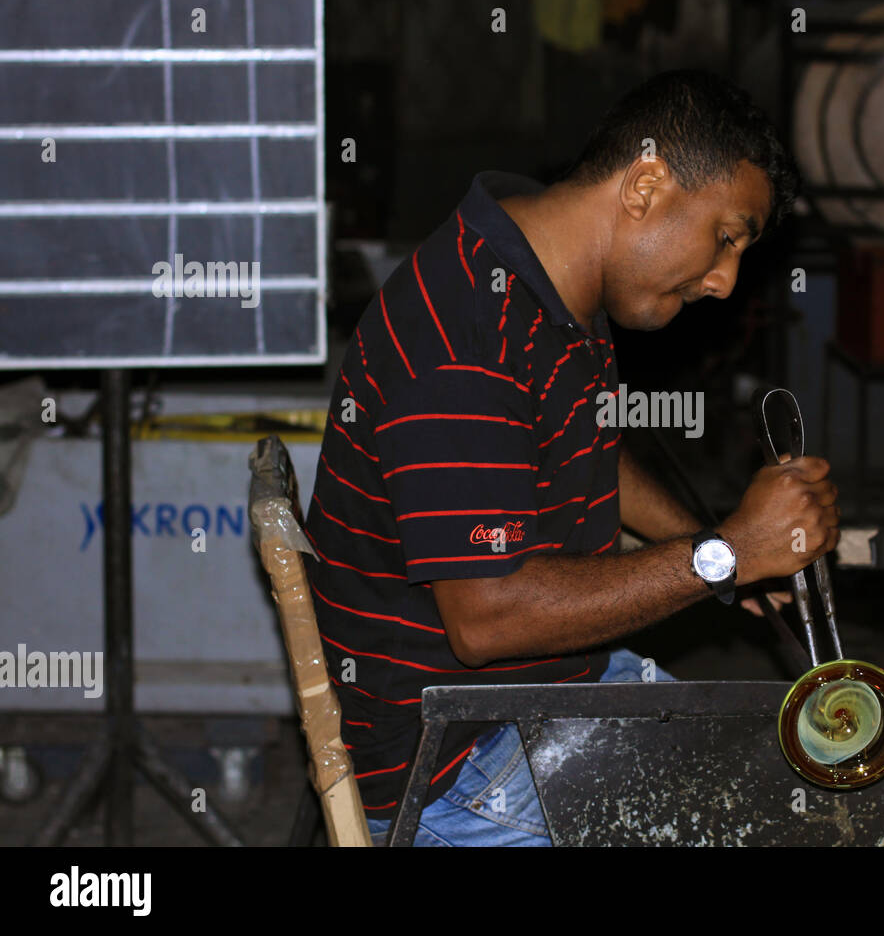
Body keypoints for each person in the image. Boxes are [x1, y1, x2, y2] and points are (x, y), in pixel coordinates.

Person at [301, 69, 840, 846]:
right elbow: (487, 618)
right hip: (450, 762)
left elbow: (579, 442)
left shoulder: (544, 268)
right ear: (646, 185)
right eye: (725, 236)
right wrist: (722, 555)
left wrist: (720, 545)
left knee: (797, 784)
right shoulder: (465, 338)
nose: (724, 281)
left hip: (535, 694)